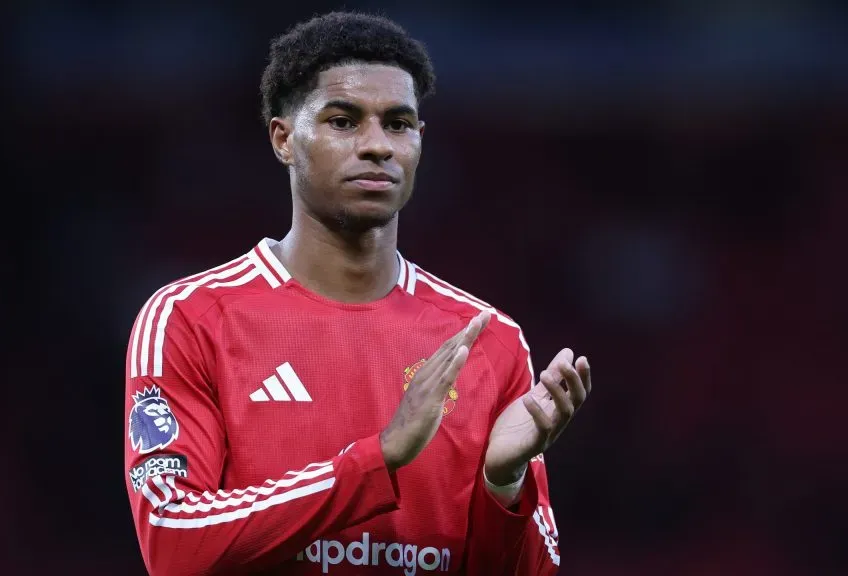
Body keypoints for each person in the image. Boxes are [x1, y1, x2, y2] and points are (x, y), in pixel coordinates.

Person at [123, 11, 591, 575]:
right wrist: (375, 461)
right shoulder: (191, 318)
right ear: (283, 139)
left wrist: (503, 484)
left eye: (398, 124)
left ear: (420, 140)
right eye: (344, 122)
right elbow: (173, 544)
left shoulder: (488, 342)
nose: (377, 146)